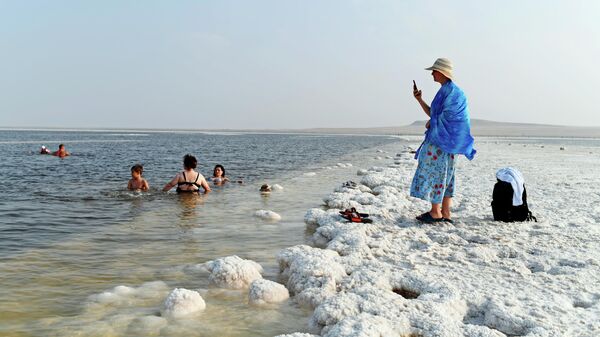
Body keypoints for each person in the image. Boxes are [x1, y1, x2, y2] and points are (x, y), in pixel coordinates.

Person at [410, 58, 476, 223]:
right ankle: (445, 212)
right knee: (446, 174)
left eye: (434, 70)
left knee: (437, 173)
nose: (432, 73)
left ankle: (435, 213)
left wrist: (433, 122)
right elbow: (434, 114)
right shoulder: (445, 91)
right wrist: (419, 100)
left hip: (442, 141)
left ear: (442, 72)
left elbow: (453, 118)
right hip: (446, 141)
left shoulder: (453, 93)